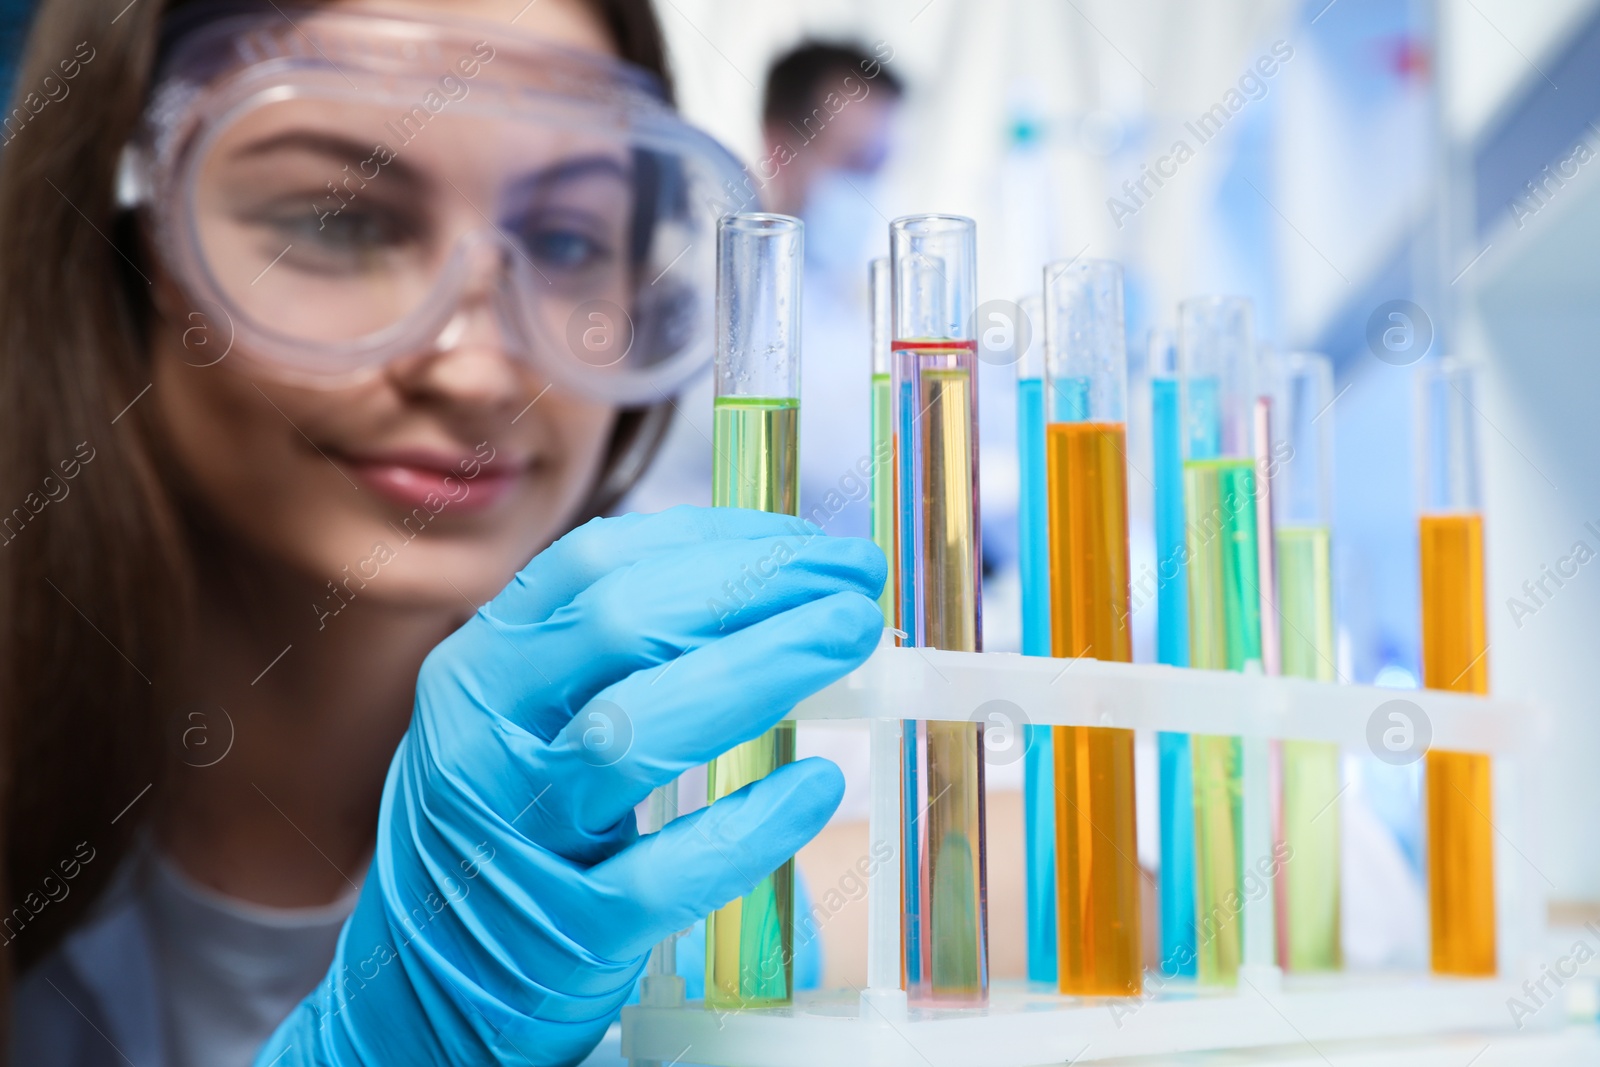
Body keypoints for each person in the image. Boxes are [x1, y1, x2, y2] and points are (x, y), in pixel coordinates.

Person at [0, 2, 884, 1065]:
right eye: (337, 220)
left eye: (564, 240)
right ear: (120, 237)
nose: (476, 370)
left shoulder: (677, 798)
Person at [762, 42, 902, 541]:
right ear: (780, 151)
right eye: (854, 161)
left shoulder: (836, 297)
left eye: (880, 166)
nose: (869, 189)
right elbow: (844, 462)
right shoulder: (716, 304)